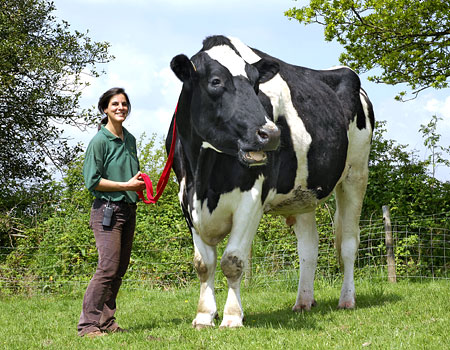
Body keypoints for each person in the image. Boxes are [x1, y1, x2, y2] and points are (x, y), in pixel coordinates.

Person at [77, 87, 146, 338]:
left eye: (124, 104)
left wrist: (140, 188)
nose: (121, 108)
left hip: (128, 209)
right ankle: (87, 326)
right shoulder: (99, 141)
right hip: (107, 210)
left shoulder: (130, 139)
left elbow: (129, 175)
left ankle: (106, 321)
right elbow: (92, 181)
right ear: (105, 109)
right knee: (106, 268)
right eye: (115, 104)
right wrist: (126, 186)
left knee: (119, 269)